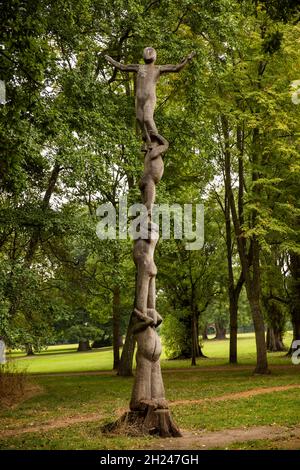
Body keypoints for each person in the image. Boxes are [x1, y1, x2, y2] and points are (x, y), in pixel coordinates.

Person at [105, 47, 195, 145]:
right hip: (139, 99)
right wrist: (111, 60)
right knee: (139, 119)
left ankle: (157, 141)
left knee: (147, 118)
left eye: (150, 51)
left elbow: (176, 68)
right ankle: (147, 140)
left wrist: (187, 60)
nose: (148, 52)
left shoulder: (158, 68)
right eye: (147, 51)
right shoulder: (138, 67)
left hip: (149, 98)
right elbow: (123, 67)